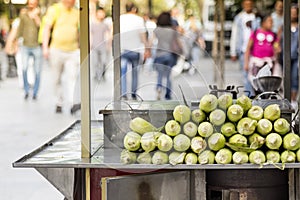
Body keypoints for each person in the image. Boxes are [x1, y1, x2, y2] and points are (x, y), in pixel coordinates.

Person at [42, 0, 80, 114]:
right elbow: (47, 28)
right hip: (56, 49)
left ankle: (73, 102)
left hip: (73, 50)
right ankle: (59, 102)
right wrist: (45, 47)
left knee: (72, 77)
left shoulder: (76, 12)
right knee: (56, 77)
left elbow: (79, 30)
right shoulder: (55, 10)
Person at [244, 14, 282, 94]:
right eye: (269, 21)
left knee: (268, 83)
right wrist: (246, 63)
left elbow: (276, 46)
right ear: (263, 23)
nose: (271, 24)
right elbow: (248, 48)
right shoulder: (255, 33)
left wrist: (277, 49)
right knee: (256, 82)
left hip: (269, 63)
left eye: (272, 22)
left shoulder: (273, 35)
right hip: (257, 62)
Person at [120, 2, 149, 100]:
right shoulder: (139, 19)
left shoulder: (120, 18)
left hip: (123, 50)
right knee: (135, 72)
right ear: (134, 9)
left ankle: (124, 93)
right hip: (135, 50)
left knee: (123, 73)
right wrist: (147, 49)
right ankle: (133, 93)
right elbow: (143, 36)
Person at [230, 0, 257, 96]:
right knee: (245, 75)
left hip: (256, 51)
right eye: (246, 4)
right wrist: (233, 52)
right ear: (243, 5)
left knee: (255, 75)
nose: (248, 6)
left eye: (250, 4)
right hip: (243, 50)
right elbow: (235, 35)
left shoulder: (257, 17)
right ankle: (249, 96)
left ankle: (254, 95)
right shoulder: (239, 18)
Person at [153, 11, 182, 100]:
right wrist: (182, 51)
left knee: (160, 74)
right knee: (168, 75)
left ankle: (159, 88)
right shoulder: (172, 31)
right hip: (169, 55)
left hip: (159, 55)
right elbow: (178, 43)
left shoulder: (156, 30)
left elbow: (151, 42)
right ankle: (168, 94)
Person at [17, 0, 42, 100]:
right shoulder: (23, 14)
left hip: (36, 45)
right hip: (25, 45)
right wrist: (16, 42)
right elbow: (20, 29)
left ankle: (35, 92)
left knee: (37, 71)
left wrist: (35, 16)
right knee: (24, 68)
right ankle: (26, 90)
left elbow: (42, 26)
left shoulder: (40, 13)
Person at [278, 5, 299, 106]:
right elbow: (278, 40)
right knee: (286, 77)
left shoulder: (298, 26)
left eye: (295, 12)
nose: (294, 15)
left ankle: (293, 99)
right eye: (292, 13)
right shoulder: (283, 26)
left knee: (295, 77)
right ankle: (286, 98)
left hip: (296, 55)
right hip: (285, 56)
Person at [90, 6, 110, 81]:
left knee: (103, 61)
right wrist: (90, 44)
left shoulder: (105, 25)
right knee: (95, 62)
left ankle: (102, 74)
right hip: (94, 45)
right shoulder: (93, 24)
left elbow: (108, 34)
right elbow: (91, 35)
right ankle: (96, 74)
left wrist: (109, 44)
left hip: (103, 46)